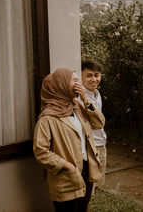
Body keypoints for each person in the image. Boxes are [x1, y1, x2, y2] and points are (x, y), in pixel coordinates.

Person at [33, 68, 105, 212]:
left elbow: (99, 123)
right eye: (74, 80)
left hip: (86, 169)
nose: (78, 83)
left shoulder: (77, 106)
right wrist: (66, 165)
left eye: (78, 80)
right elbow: (41, 151)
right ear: (62, 84)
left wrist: (85, 99)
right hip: (67, 174)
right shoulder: (48, 117)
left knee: (83, 207)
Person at [81, 60, 107, 187]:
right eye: (89, 75)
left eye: (96, 75)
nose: (94, 79)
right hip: (91, 147)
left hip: (101, 142)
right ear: (81, 76)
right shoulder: (80, 97)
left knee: (98, 183)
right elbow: (97, 123)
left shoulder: (97, 93)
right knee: (89, 186)